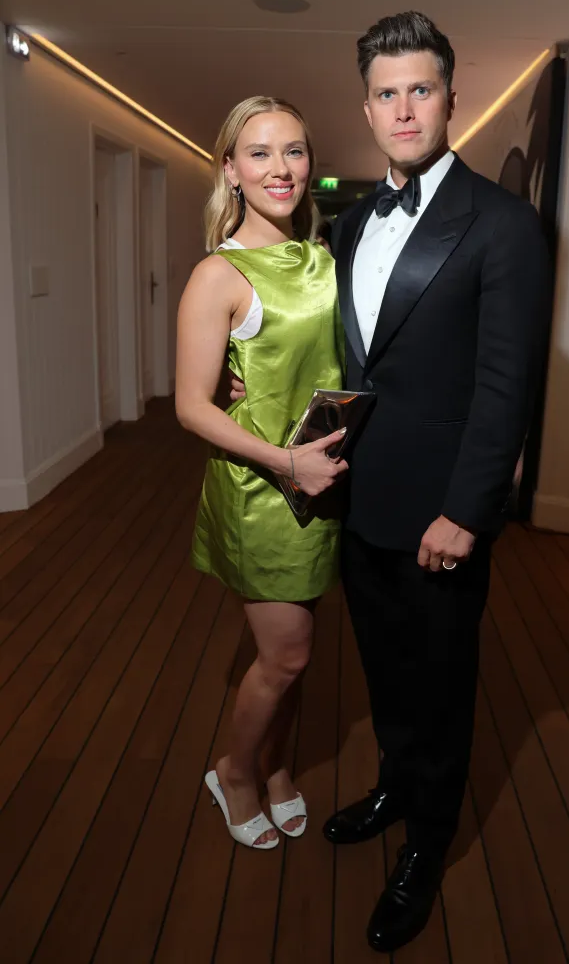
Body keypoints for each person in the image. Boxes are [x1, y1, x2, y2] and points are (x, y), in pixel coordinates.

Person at [229, 12, 552, 951]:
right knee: (383, 669)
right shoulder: (351, 220)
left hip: (441, 513)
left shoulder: (503, 223)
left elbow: (506, 387)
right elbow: (334, 353)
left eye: (421, 88)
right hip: (358, 498)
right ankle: (395, 783)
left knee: (442, 681)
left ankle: (428, 840)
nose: (403, 107)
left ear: (451, 96)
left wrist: (467, 509)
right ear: (364, 105)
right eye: (385, 91)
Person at [175, 96, 347, 851]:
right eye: (260, 153)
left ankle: (275, 767)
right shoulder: (218, 274)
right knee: (288, 651)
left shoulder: (321, 257)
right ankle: (235, 771)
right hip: (264, 485)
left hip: (326, 476)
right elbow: (188, 406)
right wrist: (286, 459)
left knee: (296, 640)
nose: (281, 168)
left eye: (295, 151)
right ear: (231, 170)